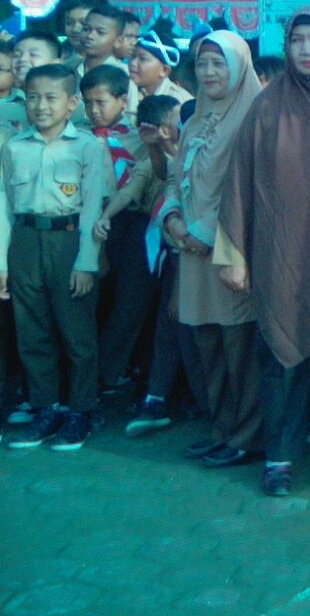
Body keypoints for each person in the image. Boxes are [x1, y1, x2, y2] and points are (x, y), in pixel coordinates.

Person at [217, 7, 310, 497]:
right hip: (280, 253)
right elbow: (239, 179)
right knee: (280, 358)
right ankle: (279, 458)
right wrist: (233, 253)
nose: (306, 50)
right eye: (297, 40)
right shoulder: (268, 106)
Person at [158, 31, 263, 469]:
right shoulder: (195, 120)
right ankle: (221, 429)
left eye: (219, 64)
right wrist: (173, 219)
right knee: (206, 345)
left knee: (239, 349)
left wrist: (204, 230)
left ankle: (248, 437)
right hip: (190, 250)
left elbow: (251, 190)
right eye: (203, 64)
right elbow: (174, 179)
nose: (209, 72)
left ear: (239, 67)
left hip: (231, 251)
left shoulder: (255, 118)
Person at [1, 64, 104, 451]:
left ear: (71, 103)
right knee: (32, 333)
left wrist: (87, 262)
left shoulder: (87, 147)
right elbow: (4, 205)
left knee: (77, 333)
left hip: (68, 241)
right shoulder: (14, 146)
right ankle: (45, 408)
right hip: (25, 242)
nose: (40, 106)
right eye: (32, 97)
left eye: (50, 98)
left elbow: (92, 209)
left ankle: (81, 410)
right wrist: (2, 262)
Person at [119, 94, 190, 437]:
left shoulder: (212, 143)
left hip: (212, 254)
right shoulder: (173, 152)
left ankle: (210, 406)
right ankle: (157, 398)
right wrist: (154, 147)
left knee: (203, 333)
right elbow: (167, 175)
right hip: (176, 252)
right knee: (168, 325)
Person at [80, 64, 150, 396]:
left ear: (123, 100)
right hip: (89, 221)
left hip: (132, 224)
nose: (94, 110)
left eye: (101, 102)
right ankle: (86, 373)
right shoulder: (78, 137)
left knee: (130, 302)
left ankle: (110, 371)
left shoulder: (139, 137)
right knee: (92, 299)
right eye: (87, 103)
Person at [129, 29, 194, 106]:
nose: (132, 63)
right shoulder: (124, 89)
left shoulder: (181, 102)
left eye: (142, 59)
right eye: (132, 56)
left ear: (164, 70)